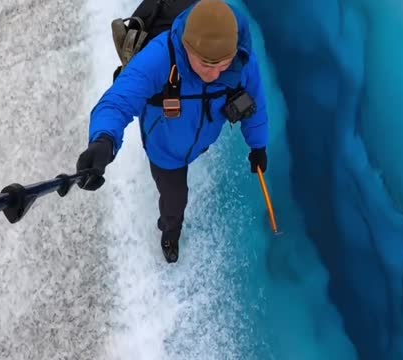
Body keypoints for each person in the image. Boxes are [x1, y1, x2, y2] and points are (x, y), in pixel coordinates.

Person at [75, 0, 269, 263]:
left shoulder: (242, 59)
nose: (214, 74)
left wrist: (258, 145)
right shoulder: (160, 57)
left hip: (198, 139)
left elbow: (254, 103)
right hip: (165, 151)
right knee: (175, 200)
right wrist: (103, 140)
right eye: (206, 64)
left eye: (223, 65)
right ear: (187, 47)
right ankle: (170, 231)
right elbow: (119, 100)